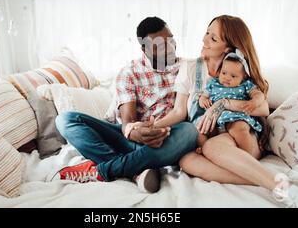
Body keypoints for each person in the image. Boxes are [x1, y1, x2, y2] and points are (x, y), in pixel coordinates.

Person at [153, 14, 298, 208]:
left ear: (228, 48)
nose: (204, 39)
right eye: (207, 33)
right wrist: (152, 126)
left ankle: (290, 192)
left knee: (212, 147)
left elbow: (263, 108)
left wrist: (223, 103)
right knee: (187, 161)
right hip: (212, 135)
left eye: (213, 38)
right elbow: (179, 112)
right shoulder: (190, 68)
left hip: (240, 134)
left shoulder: (239, 70)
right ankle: (292, 181)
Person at [54, 16, 199, 193]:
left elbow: (183, 111)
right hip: (132, 139)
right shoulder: (130, 72)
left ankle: (104, 170)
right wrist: (136, 132)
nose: (170, 48)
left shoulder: (187, 68)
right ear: (144, 49)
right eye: (160, 46)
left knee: (190, 131)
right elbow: (128, 121)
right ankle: (136, 171)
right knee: (65, 119)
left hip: (168, 138)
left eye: (171, 40)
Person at [195, 49, 266, 155]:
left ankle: (247, 155)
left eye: (233, 76)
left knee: (239, 129)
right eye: (224, 73)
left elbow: (259, 95)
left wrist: (254, 102)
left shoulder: (245, 85)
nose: (227, 78)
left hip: (235, 116)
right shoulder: (213, 83)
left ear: (244, 77)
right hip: (214, 118)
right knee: (200, 130)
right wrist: (203, 100)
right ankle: (204, 148)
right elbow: (203, 96)